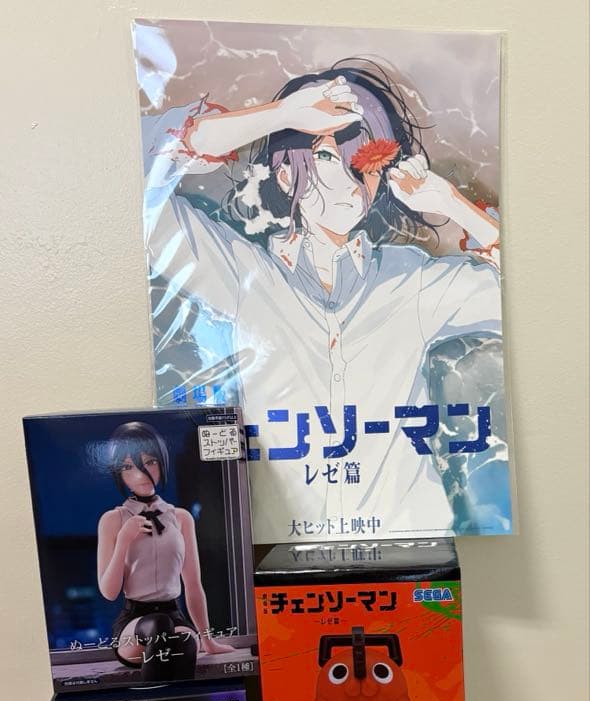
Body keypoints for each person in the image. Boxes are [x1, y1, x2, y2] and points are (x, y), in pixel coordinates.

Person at [142, 60, 504, 541]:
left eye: (366, 161)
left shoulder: (411, 281)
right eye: (331, 158)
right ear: (285, 174)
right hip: (279, 556)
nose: (353, 183)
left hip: (412, 554)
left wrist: (451, 203)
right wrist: (280, 115)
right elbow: (136, 183)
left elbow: (528, 296)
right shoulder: (242, 276)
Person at [97, 420, 234, 681]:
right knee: (160, 627)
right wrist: (124, 539)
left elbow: (193, 584)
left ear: (162, 463)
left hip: (174, 615)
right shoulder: (113, 520)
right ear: (119, 473)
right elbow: (108, 591)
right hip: (134, 622)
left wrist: (208, 640)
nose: (140, 474)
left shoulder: (180, 518)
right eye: (128, 467)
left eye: (149, 462)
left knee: (185, 641)